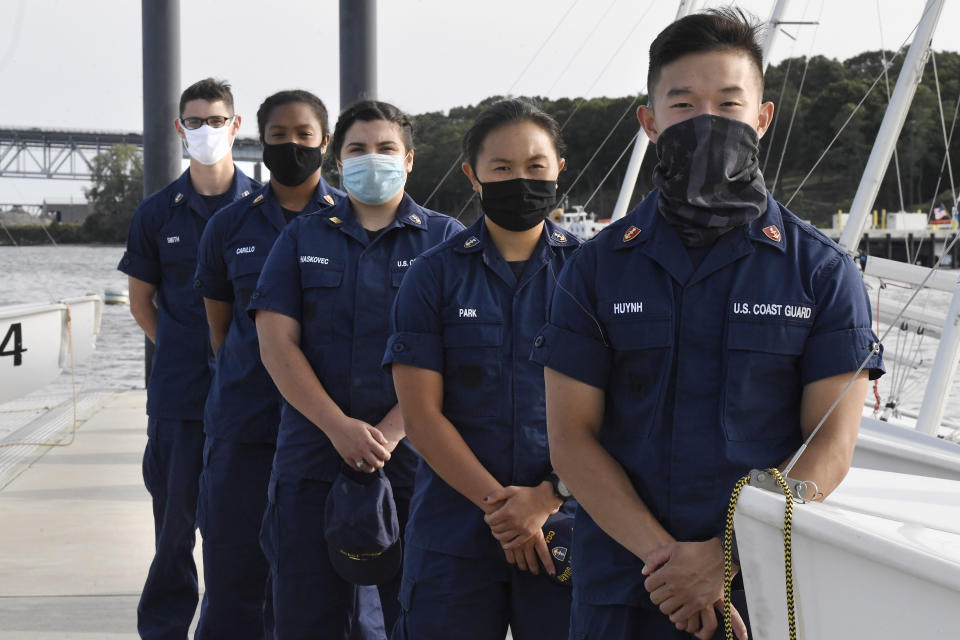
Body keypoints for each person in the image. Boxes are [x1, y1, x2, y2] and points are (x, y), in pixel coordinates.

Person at [532, 9, 885, 640]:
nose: (708, 122)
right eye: (684, 105)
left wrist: (722, 559)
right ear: (650, 122)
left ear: (762, 117)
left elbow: (828, 449)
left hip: (759, 594)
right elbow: (572, 439)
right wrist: (669, 562)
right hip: (624, 586)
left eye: (728, 103)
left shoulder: (822, 274)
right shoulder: (594, 270)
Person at [248, 99, 464, 640]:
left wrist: (390, 433)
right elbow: (276, 344)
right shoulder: (302, 237)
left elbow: (461, 353)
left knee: (420, 612)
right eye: (359, 150)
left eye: (386, 149)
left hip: (419, 461)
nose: (374, 159)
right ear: (338, 162)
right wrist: (339, 428)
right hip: (314, 456)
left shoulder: (447, 240)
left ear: (410, 160)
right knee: (306, 614)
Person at [384, 98, 579, 640]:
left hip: (568, 526)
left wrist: (545, 498)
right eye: (502, 168)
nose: (521, 179)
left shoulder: (593, 276)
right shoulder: (432, 276)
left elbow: (622, 411)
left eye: (535, 167)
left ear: (559, 170)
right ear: (473, 176)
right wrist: (505, 513)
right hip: (454, 530)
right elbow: (421, 417)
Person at [192, 89, 344, 640]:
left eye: (304, 135)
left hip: (328, 434)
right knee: (234, 577)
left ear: (325, 143)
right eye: (278, 135)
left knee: (325, 585)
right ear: (261, 141)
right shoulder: (230, 227)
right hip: (245, 426)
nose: (291, 145)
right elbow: (222, 327)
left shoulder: (351, 224)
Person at [118, 77, 258, 640]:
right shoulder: (157, 213)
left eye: (216, 120)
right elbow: (140, 301)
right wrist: (182, 346)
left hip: (251, 395)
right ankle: (165, 628)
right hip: (179, 396)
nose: (206, 130)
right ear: (179, 130)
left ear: (236, 125)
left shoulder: (263, 209)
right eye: (194, 121)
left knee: (246, 524)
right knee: (174, 526)